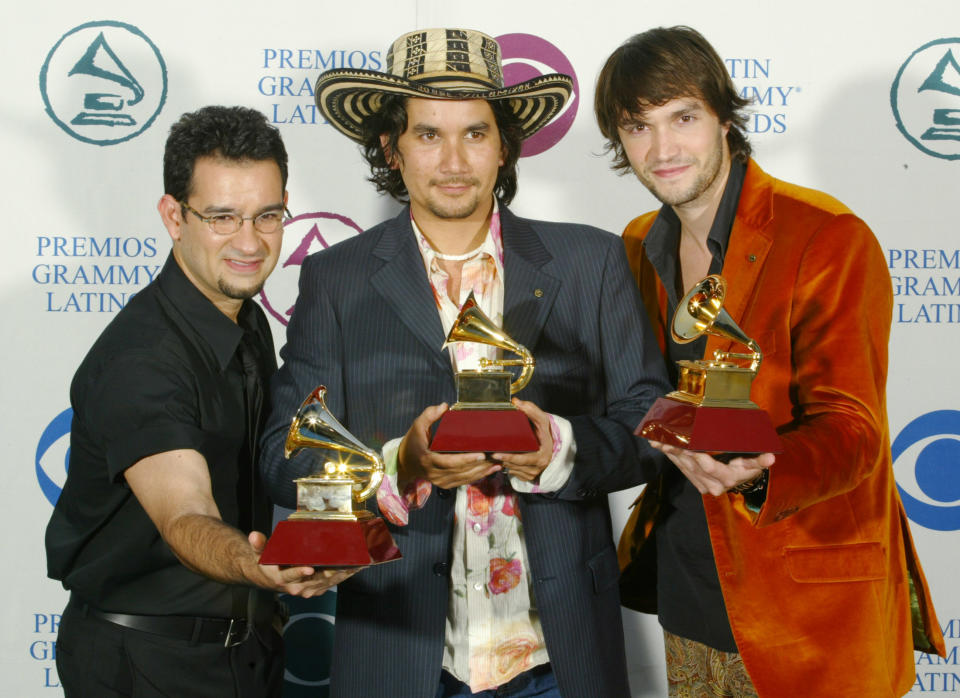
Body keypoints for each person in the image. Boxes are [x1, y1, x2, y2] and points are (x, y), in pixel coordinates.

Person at [261, 28, 670, 698]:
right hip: (401, 658)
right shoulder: (337, 280)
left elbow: (650, 425)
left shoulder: (590, 264)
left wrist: (558, 448)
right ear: (391, 148)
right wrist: (404, 464)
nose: (453, 159)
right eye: (427, 135)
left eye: (475, 133)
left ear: (505, 144)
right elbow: (282, 454)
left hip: (559, 662)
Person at [594, 26, 945, 697]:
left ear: (724, 118)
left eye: (684, 118)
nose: (662, 149)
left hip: (808, 611)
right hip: (689, 593)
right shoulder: (639, 244)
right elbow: (648, 397)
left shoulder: (825, 236)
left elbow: (853, 430)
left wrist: (761, 474)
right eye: (638, 127)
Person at [45, 105, 353, 698]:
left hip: (246, 650)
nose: (249, 242)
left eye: (267, 215)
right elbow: (183, 513)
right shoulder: (142, 361)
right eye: (222, 217)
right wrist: (256, 565)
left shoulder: (247, 321)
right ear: (173, 216)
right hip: (147, 662)